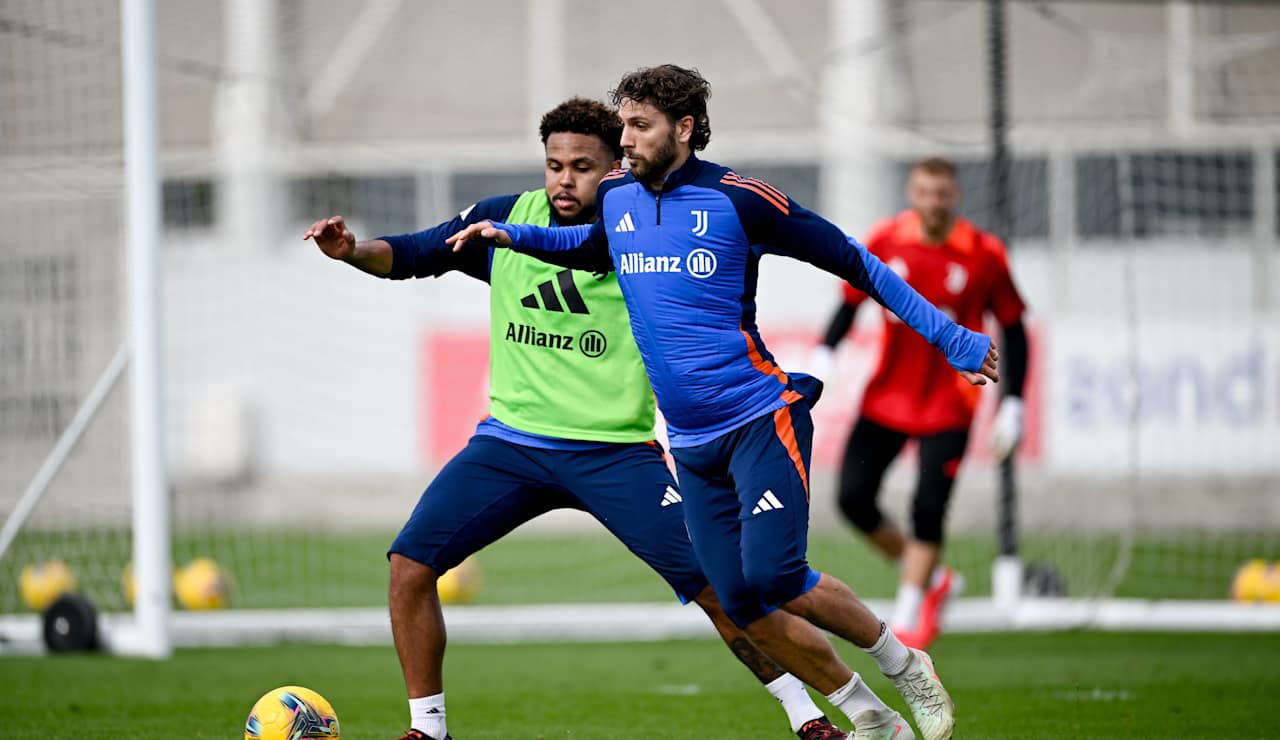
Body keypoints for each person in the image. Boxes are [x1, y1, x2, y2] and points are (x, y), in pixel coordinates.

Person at [448, 65, 1000, 740]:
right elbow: (599, 248)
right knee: (737, 599)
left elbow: (856, 262)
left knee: (777, 575)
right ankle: (870, 717)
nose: (625, 139)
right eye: (623, 124)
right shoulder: (618, 194)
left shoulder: (742, 199)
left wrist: (953, 339)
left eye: (639, 126)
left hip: (758, 420)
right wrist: (515, 235)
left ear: (683, 128)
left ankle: (905, 663)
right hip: (691, 442)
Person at [304, 97, 849, 740]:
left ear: (617, 163)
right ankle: (429, 730)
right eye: (554, 165)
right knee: (409, 567)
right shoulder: (502, 221)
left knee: (722, 590)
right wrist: (351, 251)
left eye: (583, 167)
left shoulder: (646, 232)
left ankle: (810, 717)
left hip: (616, 452)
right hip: (511, 445)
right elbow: (414, 253)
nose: (565, 179)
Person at [813, 157, 1029, 651]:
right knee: (852, 497)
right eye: (925, 192)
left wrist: (1012, 403)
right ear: (912, 193)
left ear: (955, 195)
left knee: (928, 507)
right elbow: (849, 304)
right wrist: (825, 355)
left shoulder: (984, 254)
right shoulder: (886, 241)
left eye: (942, 193)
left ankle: (909, 614)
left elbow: (1015, 327)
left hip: (950, 405)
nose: (933, 203)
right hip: (887, 396)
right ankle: (933, 581)